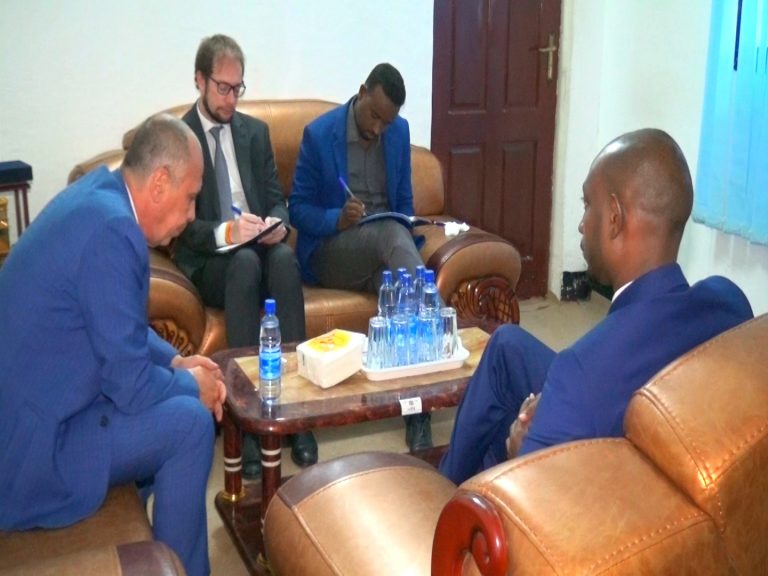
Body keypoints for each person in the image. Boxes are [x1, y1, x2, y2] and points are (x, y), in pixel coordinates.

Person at [439, 128, 754, 485]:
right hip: (631, 418)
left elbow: (535, 503)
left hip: (605, 475)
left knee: (502, 437)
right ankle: (451, 479)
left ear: (615, 218)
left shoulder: (580, 371)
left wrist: (518, 455)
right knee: (506, 345)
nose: (581, 223)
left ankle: (448, 496)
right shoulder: (729, 301)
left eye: (588, 205)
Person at [0, 114, 225, 576]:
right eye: (190, 198)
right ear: (159, 182)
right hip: (32, 455)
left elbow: (122, 329)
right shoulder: (113, 232)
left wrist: (178, 361)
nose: (191, 216)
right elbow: (132, 387)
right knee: (190, 424)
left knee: (176, 406)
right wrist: (193, 386)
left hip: (39, 415)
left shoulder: (99, 197)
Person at [177, 34, 316, 475]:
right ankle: (246, 420)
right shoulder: (180, 138)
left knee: (283, 260)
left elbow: (277, 198)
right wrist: (227, 231)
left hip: (258, 244)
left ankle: (297, 409)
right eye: (222, 88)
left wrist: (277, 224)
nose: (231, 99)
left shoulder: (255, 133)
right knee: (244, 263)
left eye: (238, 88)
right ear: (199, 80)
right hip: (212, 258)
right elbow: (181, 226)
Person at [289, 62, 432, 452]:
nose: (378, 128)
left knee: (397, 290)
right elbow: (297, 209)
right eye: (374, 116)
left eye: (387, 122)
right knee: (392, 237)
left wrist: (405, 228)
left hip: (384, 249)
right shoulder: (320, 135)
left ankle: (417, 408)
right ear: (362, 92)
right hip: (334, 250)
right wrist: (337, 218)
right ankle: (436, 329)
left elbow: (404, 203)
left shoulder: (398, 132)